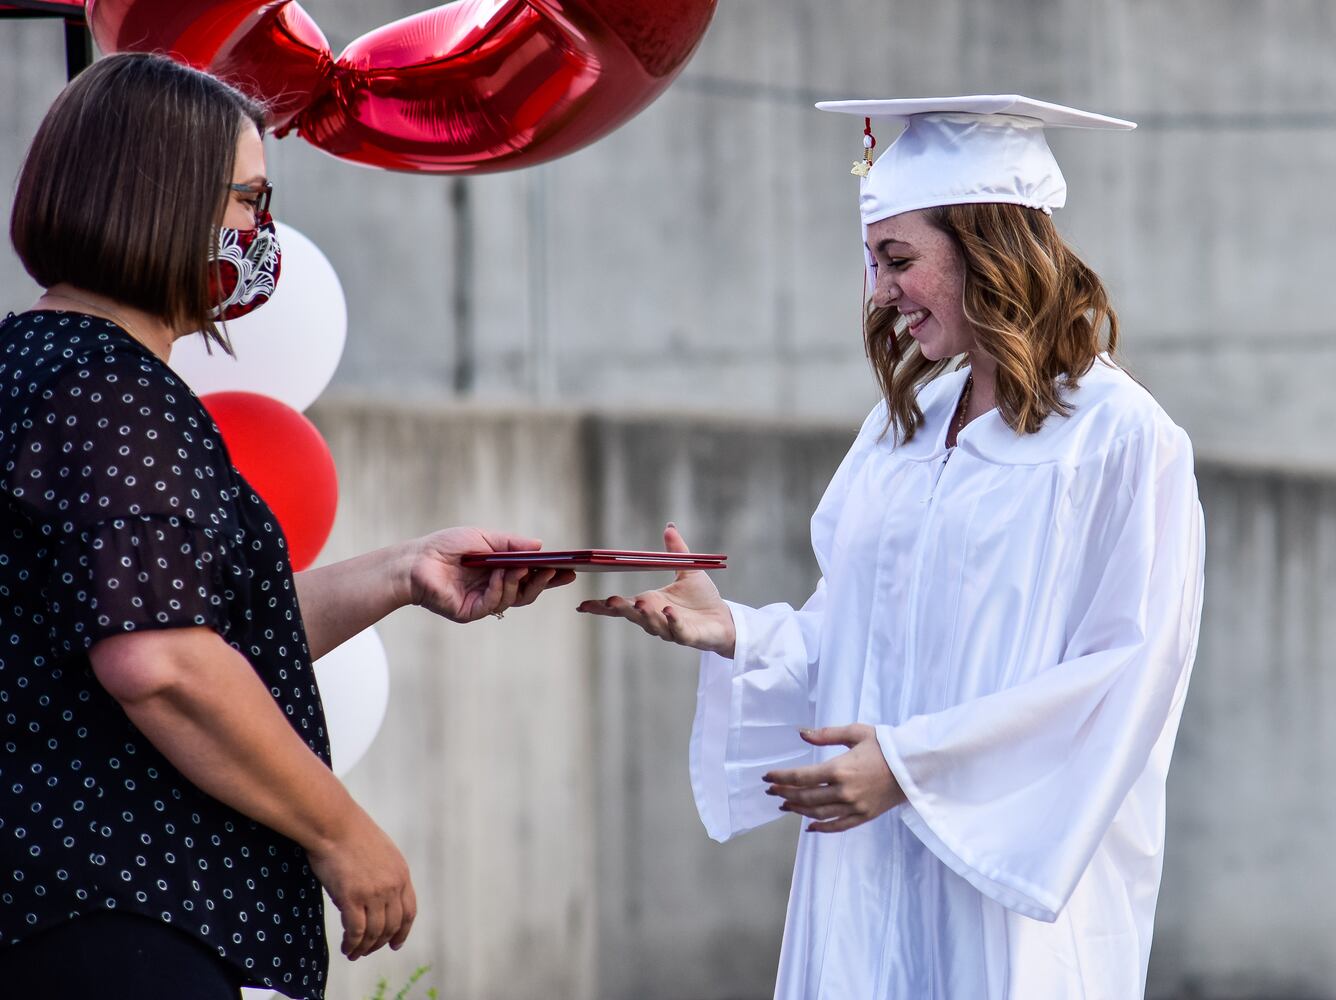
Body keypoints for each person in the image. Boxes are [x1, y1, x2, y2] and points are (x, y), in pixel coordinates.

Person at [579, 95, 1205, 997]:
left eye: (898, 259)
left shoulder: (1118, 439)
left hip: (1000, 891)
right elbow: (858, 641)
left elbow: (1123, 676)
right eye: (875, 261)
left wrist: (914, 770)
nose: (879, 292)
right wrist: (736, 635)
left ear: (989, 247)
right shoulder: (900, 432)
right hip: (866, 870)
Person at [0, 54, 571, 999]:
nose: (266, 234)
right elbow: (161, 658)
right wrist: (343, 832)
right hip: (117, 915)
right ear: (162, 196)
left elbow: (185, 627)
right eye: (250, 202)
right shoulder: (110, 392)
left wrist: (402, 570)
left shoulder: (41, 367)